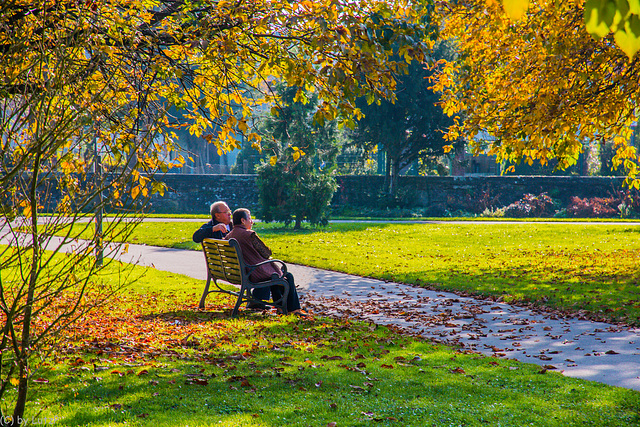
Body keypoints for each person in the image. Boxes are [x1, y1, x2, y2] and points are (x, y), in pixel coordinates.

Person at [225, 208, 308, 317]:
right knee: (287, 276)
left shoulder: (229, 236)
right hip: (252, 273)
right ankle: (294, 309)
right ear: (243, 221)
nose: (252, 222)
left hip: (241, 273)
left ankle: (281, 308)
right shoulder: (249, 234)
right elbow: (266, 253)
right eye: (249, 218)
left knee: (275, 275)